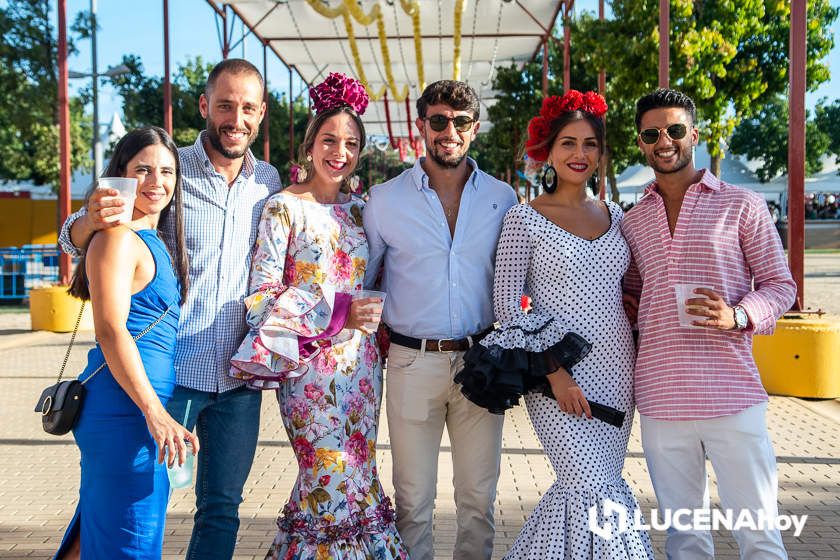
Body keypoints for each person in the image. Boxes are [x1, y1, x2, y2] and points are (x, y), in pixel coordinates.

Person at [58, 59, 282, 559]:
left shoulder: (269, 182)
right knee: (134, 499)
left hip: (238, 378)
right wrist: (85, 220)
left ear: (261, 113)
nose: (235, 118)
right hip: (172, 372)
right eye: (224, 105)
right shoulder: (167, 169)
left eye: (247, 108)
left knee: (221, 508)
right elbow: (83, 230)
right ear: (205, 106)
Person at [454, 90, 654, 559]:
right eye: (568, 143)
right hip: (557, 378)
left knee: (598, 485)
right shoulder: (524, 218)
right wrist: (555, 373)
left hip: (616, 371)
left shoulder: (617, 216)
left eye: (589, 144)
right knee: (585, 485)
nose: (579, 154)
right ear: (549, 149)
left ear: (602, 154)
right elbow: (508, 308)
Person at [228, 72, 408, 558]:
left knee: (359, 472)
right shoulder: (282, 208)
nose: (340, 152)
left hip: (362, 368)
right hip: (308, 371)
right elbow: (261, 298)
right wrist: (336, 313)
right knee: (327, 471)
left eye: (351, 143)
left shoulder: (361, 210)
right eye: (329, 140)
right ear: (310, 146)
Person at [622, 89, 796, 559]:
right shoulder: (633, 221)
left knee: (758, 532)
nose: (665, 140)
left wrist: (738, 314)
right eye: (652, 133)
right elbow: (634, 291)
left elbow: (782, 286)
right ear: (640, 142)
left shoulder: (742, 205)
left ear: (693, 135)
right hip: (659, 397)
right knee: (686, 538)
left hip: (732, 393)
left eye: (675, 130)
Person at [363, 80, 519, 560]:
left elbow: (516, 280)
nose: (448, 131)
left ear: (474, 129)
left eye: (460, 122)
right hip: (413, 363)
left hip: (483, 362)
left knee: (478, 499)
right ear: (421, 126)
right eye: (438, 120)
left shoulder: (503, 198)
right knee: (412, 501)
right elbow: (364, 283)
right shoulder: (385, 200)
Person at [55, 127, 196, 559]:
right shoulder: (118, 238)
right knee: (128, 541)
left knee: (105, 533)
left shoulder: (151, 239)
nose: (157, 182)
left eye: (168, 171)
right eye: (144, 170)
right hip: (126, 414)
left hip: (134, 412)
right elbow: (111, 330)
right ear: (122, 176)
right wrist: (156, 414)